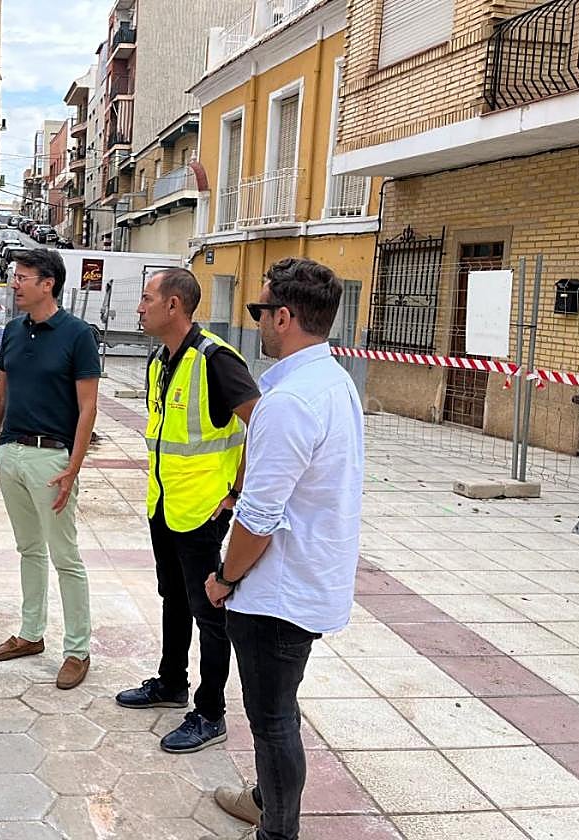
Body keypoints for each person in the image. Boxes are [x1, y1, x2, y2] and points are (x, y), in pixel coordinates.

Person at [205, 258, 364, 840]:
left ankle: (278, 830)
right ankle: (264, 800)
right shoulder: (331, 380)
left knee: (272, 721)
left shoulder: (291, 400)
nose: (257, 324)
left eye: (260, 311)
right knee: (279, 709)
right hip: (307, 577)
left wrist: (224, 576)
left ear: (286, 316)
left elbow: (261, 520)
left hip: (277, 591)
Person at [115, 268, 258, 752]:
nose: (140, 307)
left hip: (202, 511)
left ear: (174, 305)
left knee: (208, 611)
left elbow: (263, 427)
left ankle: (210, 712)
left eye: (147, 298)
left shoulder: (216, 360)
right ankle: (171, 682)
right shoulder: (161, 361)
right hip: (164, 504)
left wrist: (236, 493)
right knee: (172, 598)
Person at [0, 248, 100, 691]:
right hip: (11, 454)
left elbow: (88, 409)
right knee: (29, 549)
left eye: (23, 277)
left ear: (48, 283)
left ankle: (78, 649)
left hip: (53, 459)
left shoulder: (78, 335)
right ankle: (30, 634)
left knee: (65, 556)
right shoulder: (11, 331)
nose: (14, 284)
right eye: (15, 276)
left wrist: (73, 467)